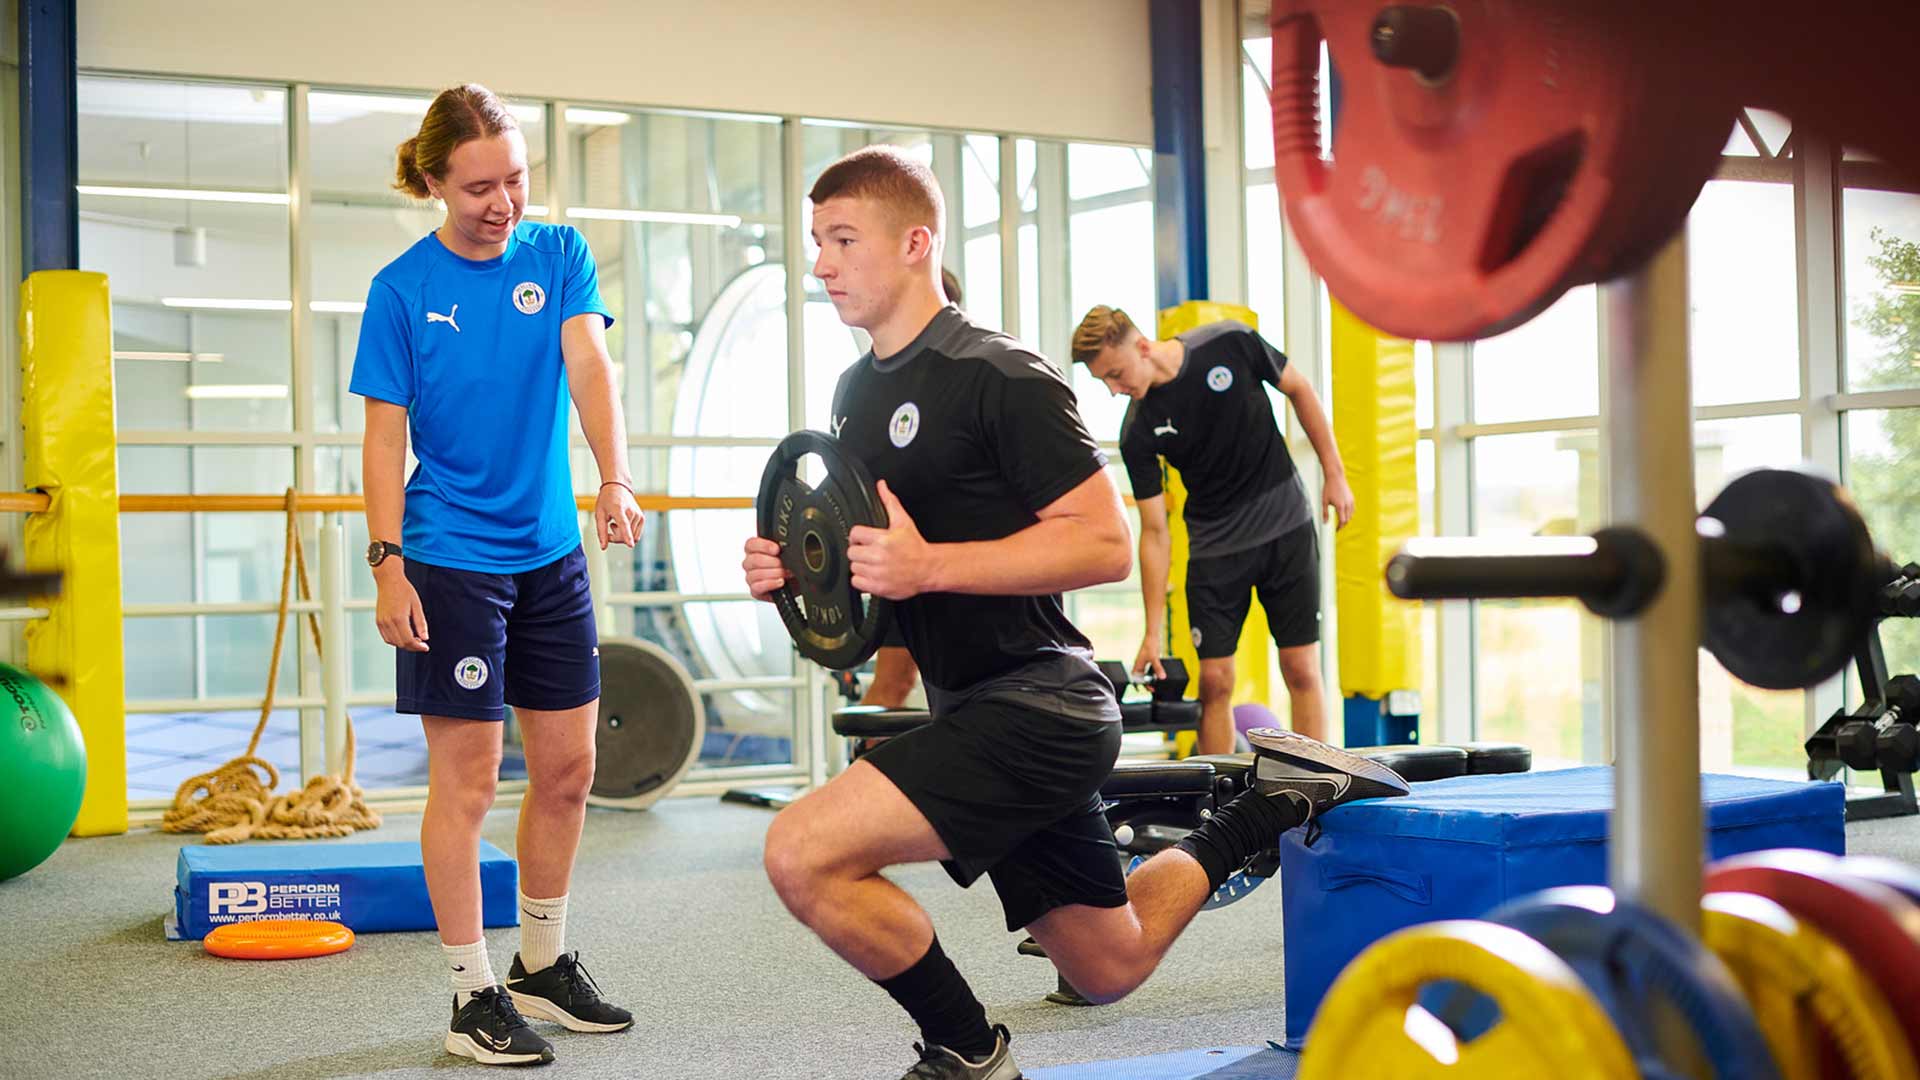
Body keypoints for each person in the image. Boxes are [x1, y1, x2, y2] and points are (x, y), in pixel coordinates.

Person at [742, 145, 1408, 1080]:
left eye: (844, 240)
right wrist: (801, 581)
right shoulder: (857, 395)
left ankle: (967, 1052)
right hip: (970, 704)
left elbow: (1099, 542)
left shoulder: (1001, 375)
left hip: (1037, 706)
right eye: (818, 242)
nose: (822, 264)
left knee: (801, 851)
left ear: (915, 244)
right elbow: (881, 597)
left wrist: (928, 564)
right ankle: (1268, 805)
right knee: (1108, 963)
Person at [351, 83, 644, 1067]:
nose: (502, 201)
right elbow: (384, 438)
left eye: (515, 177)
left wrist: (615, 477)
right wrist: (389, 565)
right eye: (479, 185)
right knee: (468, 784)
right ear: (433, 181)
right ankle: (470, 993)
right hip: (447, 559)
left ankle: (541, 963)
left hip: (549, 552)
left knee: (568, 772)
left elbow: (591, 367)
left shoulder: (557, 256)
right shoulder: (400, 290)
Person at [1070, 305, 1353, 753]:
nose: (1113, 389)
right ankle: (1219, 805)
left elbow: (1298, 388)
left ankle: (1316, 790)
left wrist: (1334, 474)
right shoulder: (1138, 431)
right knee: (1215, 680)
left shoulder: (1230, 342)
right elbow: (1154, 532)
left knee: (1300, 666)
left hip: (1285, 528)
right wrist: (1150, 629)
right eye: (1104, 380)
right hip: (1215, 547)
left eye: (1115, 374)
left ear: (1142, 346)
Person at [860, 266, 963, 711]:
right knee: (891, 688)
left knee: (958, 698)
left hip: (962, 578)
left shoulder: (975, 377)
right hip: (900, 577)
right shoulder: (858, 390)